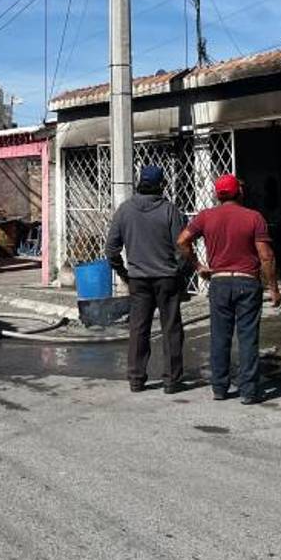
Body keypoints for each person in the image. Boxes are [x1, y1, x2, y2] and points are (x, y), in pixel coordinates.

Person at [178, 174, 281, 405]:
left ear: (217, 195)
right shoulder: (254, 217)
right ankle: (248, 391)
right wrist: (273, 287)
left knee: (220, 337)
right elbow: (266, 255)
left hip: (220, 282)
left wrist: (198, 266)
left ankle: (220, 388)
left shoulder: (206, 217)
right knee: (248, 337)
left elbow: (182, 241)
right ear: (240, 192)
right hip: (247, 282)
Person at [105, 166, 188, 394]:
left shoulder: (124, 211)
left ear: (140, 183)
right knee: (171, 328)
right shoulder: (170, 211)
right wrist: (178, 270)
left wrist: (124, 273)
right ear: (162, 185)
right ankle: (171, 380)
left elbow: (111, 249)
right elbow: (182, 247)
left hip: (138, 279)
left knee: (139, 328)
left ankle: (136, 378)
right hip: (166, 278)